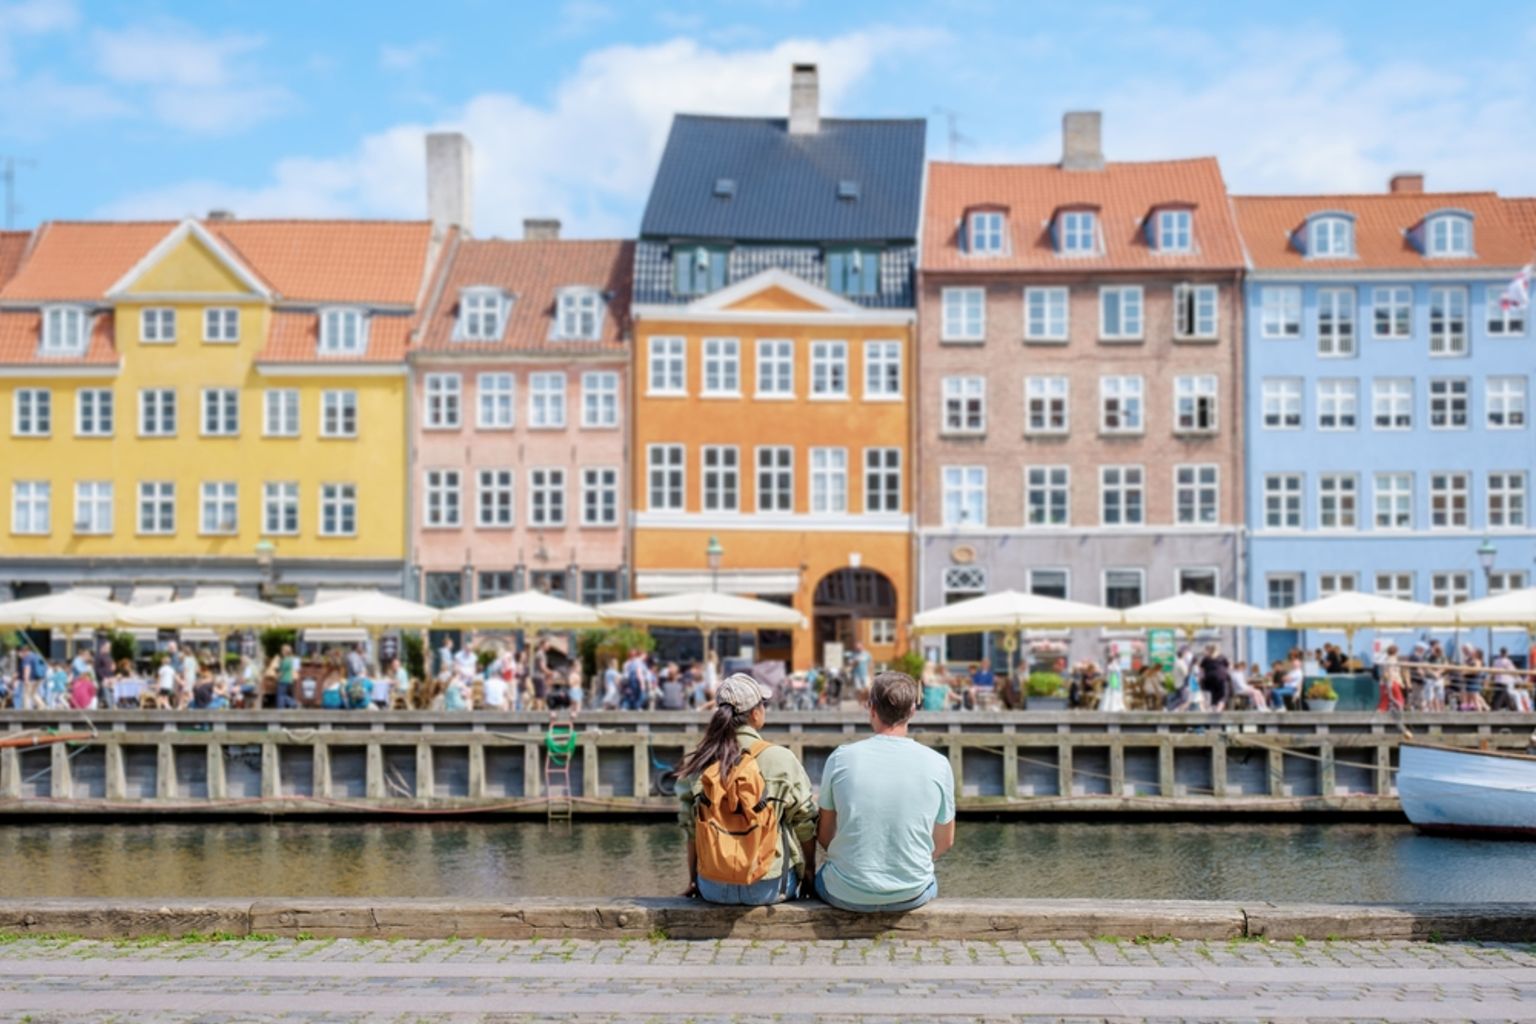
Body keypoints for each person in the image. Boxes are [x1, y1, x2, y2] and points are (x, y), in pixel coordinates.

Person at [816, 671, 955, 913]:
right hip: (912, 892)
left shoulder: (840, 758)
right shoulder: (938, 763)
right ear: (912, 711)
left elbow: (825, 835)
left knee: (820, 877)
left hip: (845, 890)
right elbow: (945, 841)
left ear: (871, 709)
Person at [677, 674, 817, 905]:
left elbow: (692, 828)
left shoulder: (700, 760)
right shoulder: (781, 758)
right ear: (755, 713)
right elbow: (805, 822)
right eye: (764, 704)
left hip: (713, 886)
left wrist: (694, 880)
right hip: (769, 886)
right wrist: (809, 871)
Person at [1198, 644, 1231, 713]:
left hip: (1209, 679)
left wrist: (1200, 680)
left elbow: (1201, 670)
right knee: (1224, 695)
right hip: (1221, 678)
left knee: (1212, 695)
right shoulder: (1222, 657)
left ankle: (1213, 709)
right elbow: (1229, 667)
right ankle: (1218, 709)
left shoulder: (1206, 659)